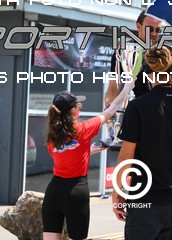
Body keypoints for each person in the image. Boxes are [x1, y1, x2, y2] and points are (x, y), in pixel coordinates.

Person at [112, 44, 172, 240]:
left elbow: (126, 157)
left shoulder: (138, 107)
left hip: (144, 199)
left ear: (148, 74)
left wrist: (117, 192)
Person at [42, 82, 133, 240]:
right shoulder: (83, 129)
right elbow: (112, 109)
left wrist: (87, 151)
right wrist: (127, 88)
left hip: (54, 192)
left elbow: (64, 157)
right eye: (77, 105)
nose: (80, 107)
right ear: (73, 110)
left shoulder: (52, 137)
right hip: (76, 192)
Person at [104, 9, 163, 106]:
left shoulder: (167, 51)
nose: (153, 33)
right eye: (149, 29)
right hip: (137, 108)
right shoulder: (123, 51)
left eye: (158, 30)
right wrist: (109, 105)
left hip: (163, 108)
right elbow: (113, 88)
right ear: (138, 26)